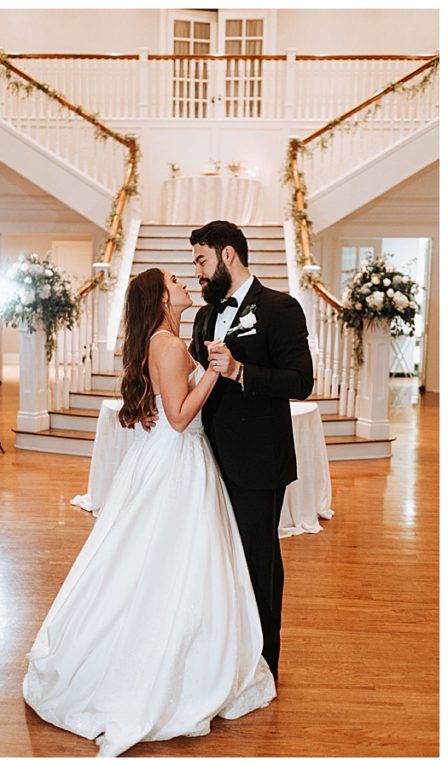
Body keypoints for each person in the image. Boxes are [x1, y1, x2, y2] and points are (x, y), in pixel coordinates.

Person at [22, 268, 275, 757]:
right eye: (175, 281)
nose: (183, 285)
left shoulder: (162, 341)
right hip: (176, 462)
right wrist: (216, 375)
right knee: (169, 565)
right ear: (162, 298)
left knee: (155, 564)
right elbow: (180, 419)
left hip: (163, 460)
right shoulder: (168, 345)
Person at [189, 220, 313, 682]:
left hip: (258, 461)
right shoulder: (205, 314)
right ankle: (223, 659)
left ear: (227, 256)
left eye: (202, 260)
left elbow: (301, 382)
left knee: (257, 560)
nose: (198, 272)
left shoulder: (280, 308)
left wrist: (241, 371)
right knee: (215, 560)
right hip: (206, 459)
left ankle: (263, 666)